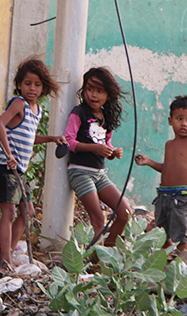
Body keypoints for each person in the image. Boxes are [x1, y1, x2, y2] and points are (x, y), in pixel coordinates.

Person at [0, 57, 64, 268]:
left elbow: (28, 136)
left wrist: (51, 138)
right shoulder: (19, 103)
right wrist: (8, 154)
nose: (32, 88)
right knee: (9, 212)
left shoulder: (37, 111)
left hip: (19, 170)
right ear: (19, 85)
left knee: (28, 212)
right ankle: (5, 260)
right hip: (5, 167)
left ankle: (10, 253)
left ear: (43, 87)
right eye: (27, 83)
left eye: (37, 84)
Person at [65, 67, 132, 247]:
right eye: (90, 89)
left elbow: (105, 144)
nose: (94, 95)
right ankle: (98, 262)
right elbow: (69, 141)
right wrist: (96, 148)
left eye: (100, 91)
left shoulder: (106, 118)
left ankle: (102, 254)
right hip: (80, 172)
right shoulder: (78, 113)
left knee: (125, 213)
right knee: (98, 220)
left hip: (99, 174)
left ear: (108, 95)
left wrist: (113, 151)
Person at [135, 95, 187, 252]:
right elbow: (168, 169)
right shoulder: (169, 144)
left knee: (180, 237)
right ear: (170, 121)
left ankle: (183, 266)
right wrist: (149, 162)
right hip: (163, 195)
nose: (184, 123)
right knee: (162, 234)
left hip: (181, 196)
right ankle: (169, 263)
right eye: (179, 118)